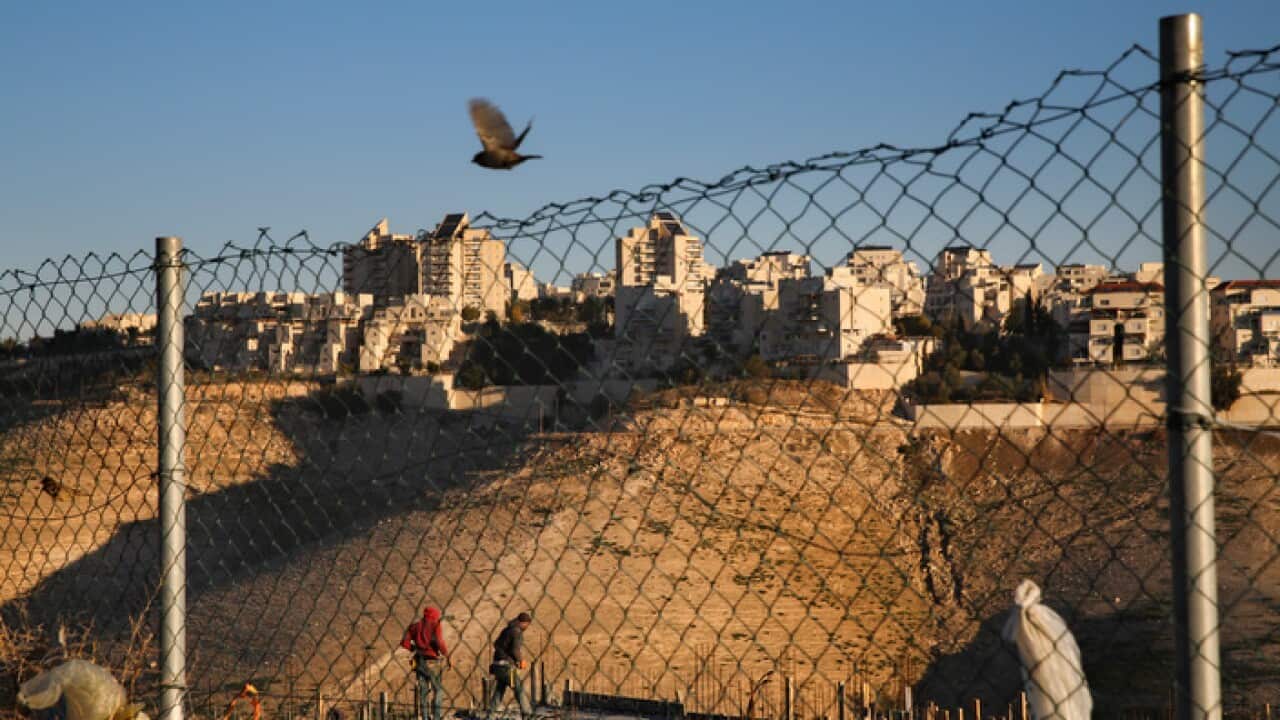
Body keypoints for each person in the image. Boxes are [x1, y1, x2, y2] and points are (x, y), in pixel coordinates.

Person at [401, 605, 451, 720]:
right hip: (432, 661)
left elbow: (404, 642)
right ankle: (436, 717)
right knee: (437, 690)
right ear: (435, 616)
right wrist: (447, 655)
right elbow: (439, 641)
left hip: (419, 661)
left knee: (423, 691)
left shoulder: (415, 626)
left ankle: (424, 717)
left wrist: (414, 648)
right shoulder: (435, 625)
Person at [486, 612, 533, 720]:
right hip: (507, 667)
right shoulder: (516, 631)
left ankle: (491, 715)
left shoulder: (507, 629)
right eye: (527, 625)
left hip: (497, 665)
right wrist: (520, 660)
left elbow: (496, 644)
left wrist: (504, 654)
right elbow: (515, 649)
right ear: (524, 623)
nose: (527, 627)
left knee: (499, 690)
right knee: (519, 689)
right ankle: (528, 714)